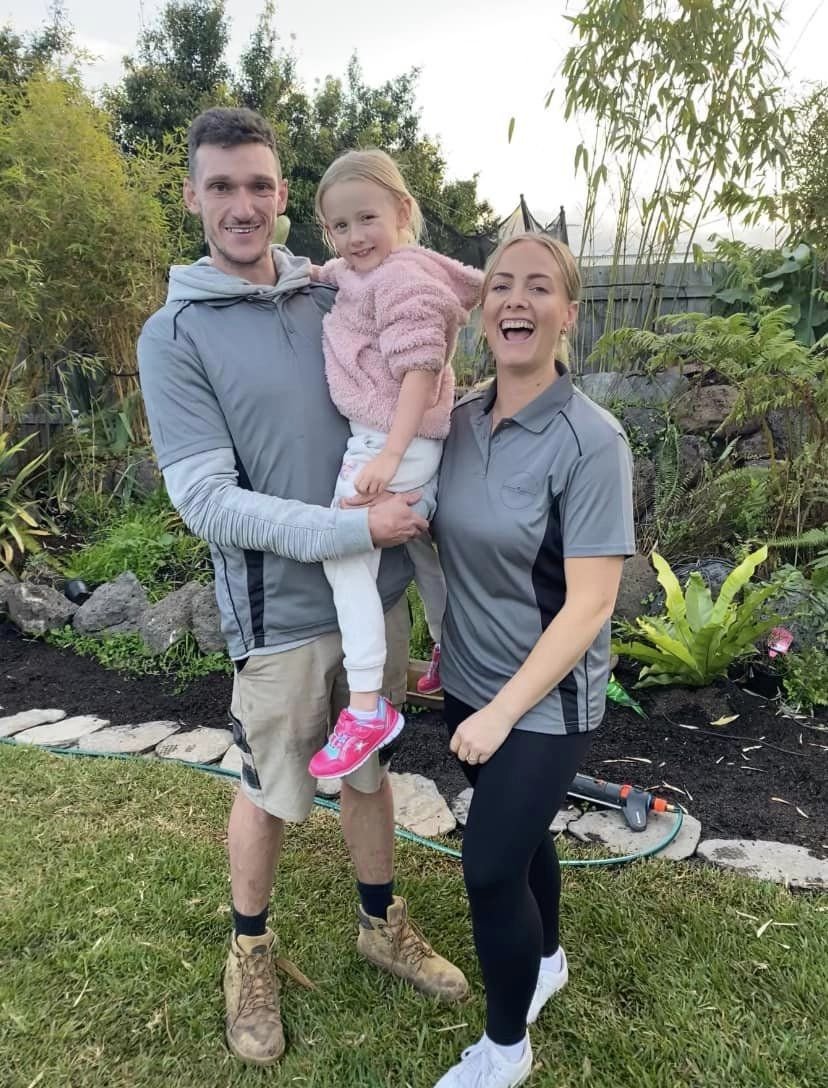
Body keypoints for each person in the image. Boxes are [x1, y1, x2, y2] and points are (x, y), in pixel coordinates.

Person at [137, 107, 468, 1069]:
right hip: (279, 609)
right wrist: (349, 527)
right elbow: (208, 501)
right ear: (195, 197)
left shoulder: (333, 291)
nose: (243, 206)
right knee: (272, 788)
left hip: (376, 586)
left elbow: (421, 320)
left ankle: (379, 923)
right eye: (222, 187)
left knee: (368, 772)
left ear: (285, 198)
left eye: (260, 186)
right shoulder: (177, 334)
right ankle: (249, 952)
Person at [431, 233, 635, 1088]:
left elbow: (589, 603)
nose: (516, 300)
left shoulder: (592, 442)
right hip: (469, 682)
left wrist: (503, 710)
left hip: (543, 701)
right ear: (482, 313)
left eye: (538, 288)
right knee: (519, 846)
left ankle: (506, 1050)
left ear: (568, 315)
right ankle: (547, 956)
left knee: (485, 867)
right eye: (501, 286)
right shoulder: (457, 420)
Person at [306, 149, 482, 781]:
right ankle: (446, 647)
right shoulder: (371, 270)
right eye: (339, 226)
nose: (354, 238)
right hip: (396, 439)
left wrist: (387, 454)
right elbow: (341, 275)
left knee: (344, 549)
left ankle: (362, 706)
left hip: (390, 436)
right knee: (426, 545)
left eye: (367, 219)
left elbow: (419, 370)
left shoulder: (405, 279)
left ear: (403, 211)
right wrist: (313, 269)